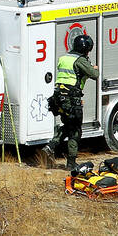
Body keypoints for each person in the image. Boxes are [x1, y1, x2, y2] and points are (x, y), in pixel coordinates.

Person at [39, 34, 99, 170]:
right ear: (86, 48)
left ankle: (50, 146)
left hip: (58, 98)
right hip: (71, 99)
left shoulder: (64, 58)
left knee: (68, 125)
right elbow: (95, 75)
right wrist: (94, 68)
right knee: (75, 130)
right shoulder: (80, 60)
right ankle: (70, 162)